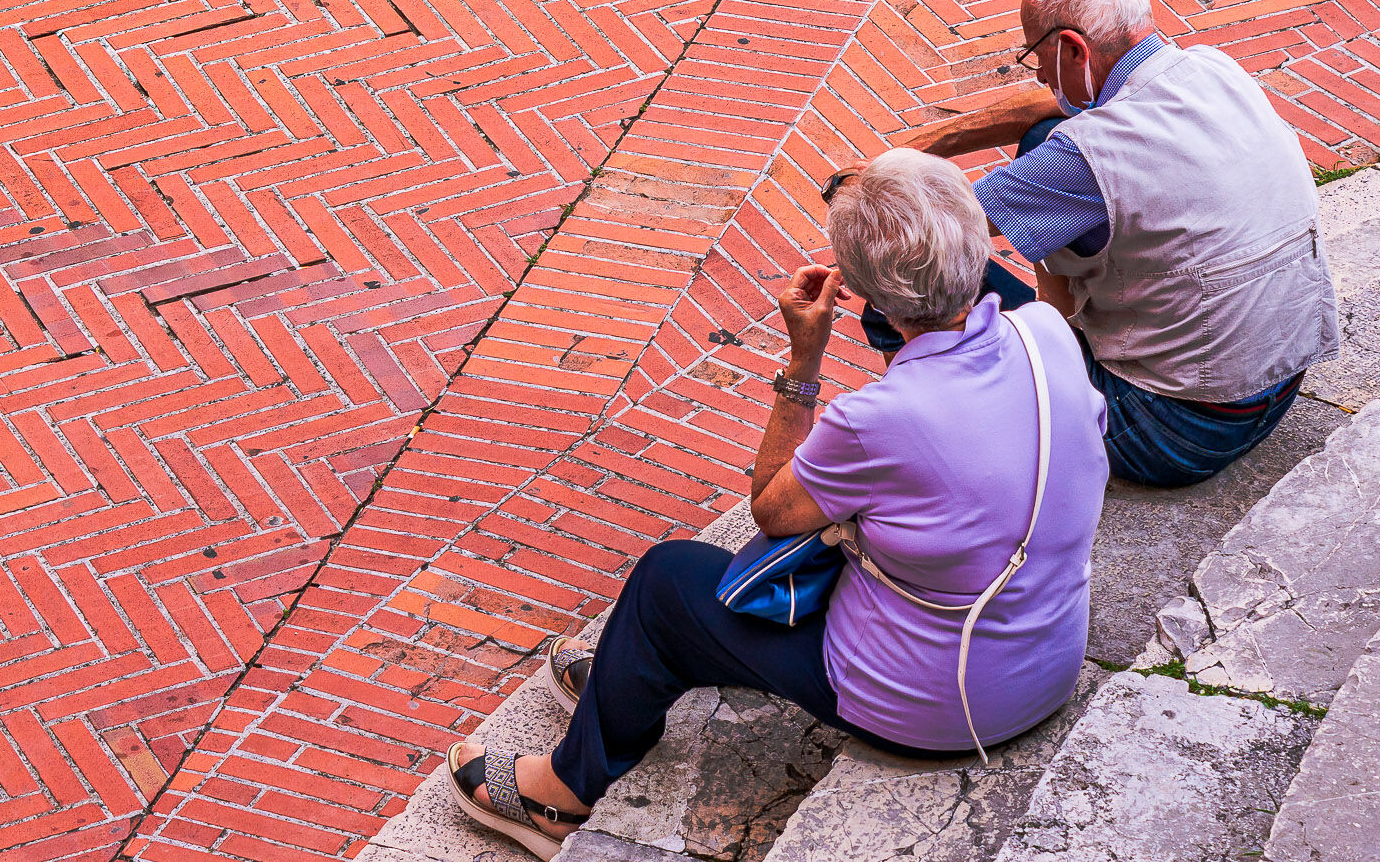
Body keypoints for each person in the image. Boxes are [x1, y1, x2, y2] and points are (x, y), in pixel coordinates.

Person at [444, 148, 1107, 858]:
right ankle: (624, 677)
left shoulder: (875, 420)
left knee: (667, 584)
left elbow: (771, 507)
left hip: (941, 704)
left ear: (872, 298)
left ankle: (560, 795)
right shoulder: (1046, 335)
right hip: (1048, 656)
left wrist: (803, 361)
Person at [861, 0, 1338, 488]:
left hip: (1170, 432)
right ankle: (1060, 322)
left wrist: (878, 177)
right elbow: (1049, 111)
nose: (1040, 76)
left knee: (902, 270)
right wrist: (933, 141)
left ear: (1072, 49)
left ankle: (927, 453)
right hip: (1276, 385)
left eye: (1035, 57)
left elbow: (923, 221)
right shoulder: (1212, 68)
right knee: (1044, 137)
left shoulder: (1088, 154)